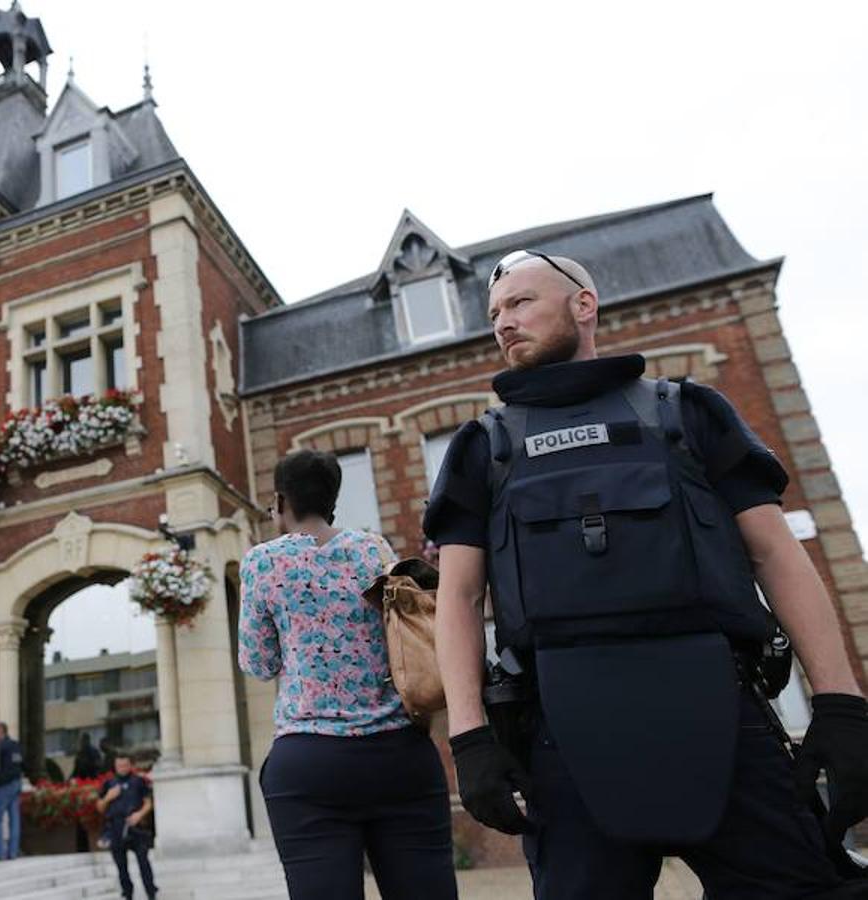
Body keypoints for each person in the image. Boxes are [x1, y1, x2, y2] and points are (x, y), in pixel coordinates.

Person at [424, 250, 868, 899]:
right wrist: (470, 739)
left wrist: (839, 705)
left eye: (520, 302)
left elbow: (776, 554)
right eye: (494, 313)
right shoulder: (481, 447)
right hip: (561, 735)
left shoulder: (686, 414)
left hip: (722, 718)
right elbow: (459, 597)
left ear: (584, 304)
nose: (503, 322)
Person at [239, 449, 458, 900]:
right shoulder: (373, 549)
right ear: (332, 499)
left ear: (280, 501)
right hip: (398, 754)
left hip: (310, 764)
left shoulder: (263, 562)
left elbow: (258, 664)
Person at [97, 753, 157, 900]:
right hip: (116, 827)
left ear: (130, 765)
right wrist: (107, 798)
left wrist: (139, 814)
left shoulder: (139, 781)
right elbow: (99, 807)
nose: (122, 768)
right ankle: (128, 894)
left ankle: (151, 892)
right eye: (119, 766)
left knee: (144, 862)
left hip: (136, 827)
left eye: (125, 765)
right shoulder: (109, 784)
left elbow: (149, 802)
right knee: (121, 866)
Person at [0, 721, 23, 861]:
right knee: (14, 820)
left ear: (1, 732)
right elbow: (21, 763)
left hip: (4, 785)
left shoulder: (0, 747)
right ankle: (13, 852)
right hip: (17, 783)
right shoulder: (16, 746)